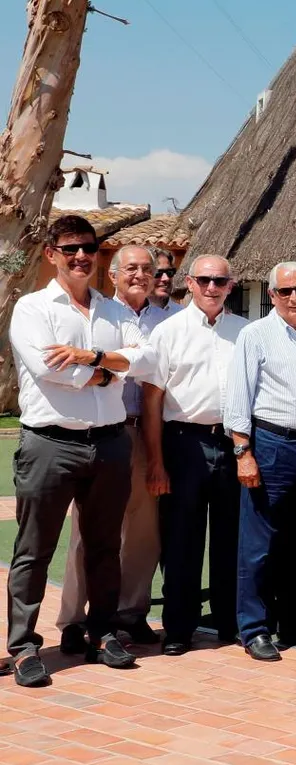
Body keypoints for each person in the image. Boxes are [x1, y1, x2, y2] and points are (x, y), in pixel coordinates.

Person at [6, 216, 152, 687]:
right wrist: (113, 371)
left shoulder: (114, 312)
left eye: (88, 247)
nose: (81, 256)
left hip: (108, 444)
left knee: (105, 546)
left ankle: (102, 632)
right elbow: (48, 369)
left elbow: (147, 360)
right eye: (70, 249)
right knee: (34, 550)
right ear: (51, 254)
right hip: (50, 443)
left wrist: (89, 358)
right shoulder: (33, 308)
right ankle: (24, 646)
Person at [54, 244, 168, 651]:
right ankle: (72, 618)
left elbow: (153, 368)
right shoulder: (101, 314)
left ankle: (130, 612)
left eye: (147, 269)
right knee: (90, 530)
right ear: (115, 274)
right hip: (105, 432)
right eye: (130, 268)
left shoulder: (167, 321)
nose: (139, 275)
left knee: (142, 531)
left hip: (151, 433)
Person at [143, 253, 249, 654]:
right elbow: (152, 400)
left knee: (230, 538)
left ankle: (228, 622)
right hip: (183, 442)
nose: (211, 287)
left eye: (219, 281)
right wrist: (156, 460)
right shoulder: (168, 332)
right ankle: (179, 629)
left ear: (230, 286)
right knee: (182, 540)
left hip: (232, 441)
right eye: (204, 280)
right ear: (189, 283)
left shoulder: (244, 331)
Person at [225, 260, 296, 661]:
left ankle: (293, 621)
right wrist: (243, 451)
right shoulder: (255, 335)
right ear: (272, 296)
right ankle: (254, 629)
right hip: (270, 443)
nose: (294, 298)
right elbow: (237, 398)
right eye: (285, 292)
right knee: (260, 543)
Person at [151, 249, 179, 314]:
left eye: (169, 272)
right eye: (158, 273)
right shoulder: (126, 316)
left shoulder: (182, 315)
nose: (166, 278)